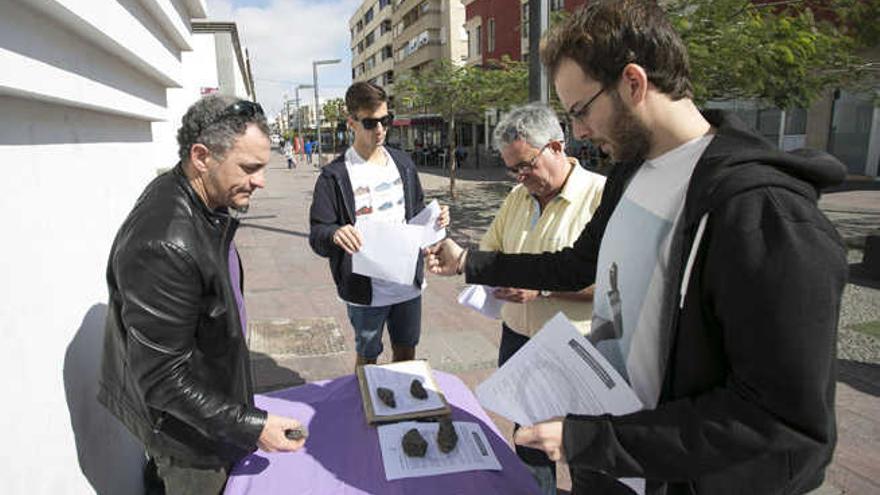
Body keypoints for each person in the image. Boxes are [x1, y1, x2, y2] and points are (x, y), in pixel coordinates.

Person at [426, 1, 848, 493]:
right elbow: (576, 265)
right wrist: (471, 263)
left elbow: (782, 422)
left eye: (581, 111)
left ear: (633, 82)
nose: (578, 132)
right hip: (608, 460)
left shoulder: (764, 214)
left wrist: (597, 440)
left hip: (667, 473)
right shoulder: (630, 171)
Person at [98, 95, 306, 495]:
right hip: (189, 441)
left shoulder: (203, 198)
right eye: (249, 168)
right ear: (201, 156)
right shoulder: (164, 244)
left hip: (208, 412)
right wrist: (254, 427)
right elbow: (163, 381)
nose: (261, 180)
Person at [482, 102, 605, 494]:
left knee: (585, 447)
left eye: (526, 165)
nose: (520, 177)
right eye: (512, 168)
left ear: (556, 146)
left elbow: (615, 284)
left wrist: (543, 288)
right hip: (519, 339)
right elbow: (493, 252)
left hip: (575, 346)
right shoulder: (518, 197)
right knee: (530, 439)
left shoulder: (600, 197)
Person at [309, 81, 449, 369]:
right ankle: (367, 410)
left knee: (406, 354)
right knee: (368, 357)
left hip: (407, 285)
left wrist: (435, 219)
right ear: (352, 123)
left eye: (386, 120)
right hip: (365, 291)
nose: (380, 129)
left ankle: (404, 412)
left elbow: (416, 210)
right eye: (371, 123)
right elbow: (318, 233)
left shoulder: (403, 163)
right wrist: (335, 233)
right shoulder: (334, 176)